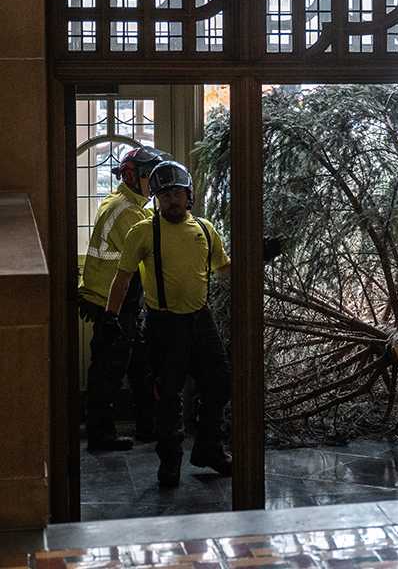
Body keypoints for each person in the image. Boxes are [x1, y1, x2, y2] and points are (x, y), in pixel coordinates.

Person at [100, 159, 284, 488]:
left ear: (189, 196)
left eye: (178, 192)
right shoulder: (143, 231)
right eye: (165, 193)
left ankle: (208, 451)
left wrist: (258, 257)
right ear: (156, 198)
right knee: (168, 397)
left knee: (221, 383)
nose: (172, 198)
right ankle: (169, 464)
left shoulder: (204, 229)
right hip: (163, 325)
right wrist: (111, 318)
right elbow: (122, 278)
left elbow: (225, 270)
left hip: (201, 320)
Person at [78, 145, 170, 451]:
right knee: (109, 370)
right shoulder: (128, 212)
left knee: (139, 366)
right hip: (112, 303)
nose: (156, 181)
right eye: (150, 176)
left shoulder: (126, 203)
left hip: (122, 301)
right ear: (133, 177)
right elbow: (155, 250)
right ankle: (100, 433)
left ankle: (148, 427)